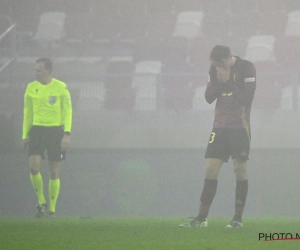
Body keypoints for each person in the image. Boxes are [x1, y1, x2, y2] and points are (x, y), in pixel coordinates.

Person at [180, 45, 256, 228]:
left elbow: (247, 98)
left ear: (229, 58)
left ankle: (237, 219)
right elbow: (208, 97)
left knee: (240, 170)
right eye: (214, 65)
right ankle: (201, 218)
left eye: (220, 64)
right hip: (219, 127)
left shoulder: (247, 67)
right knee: (210, 170)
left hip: (240, 127)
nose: (217, 67)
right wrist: (220, 83)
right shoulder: (214, 69)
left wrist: (229, 81)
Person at [21, 58, 72, 218]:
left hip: (56, 131)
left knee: (54, 171)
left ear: (48, 71)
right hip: (37, 130)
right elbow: (28, 113)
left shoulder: (60, 87)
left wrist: (67, 134)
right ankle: (42, 202)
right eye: (35, 70)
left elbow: (68, 111)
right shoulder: (31, 87)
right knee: (33, 167)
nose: (36, 73)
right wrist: (24, 136)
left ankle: (52, 209)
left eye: (39, 70)